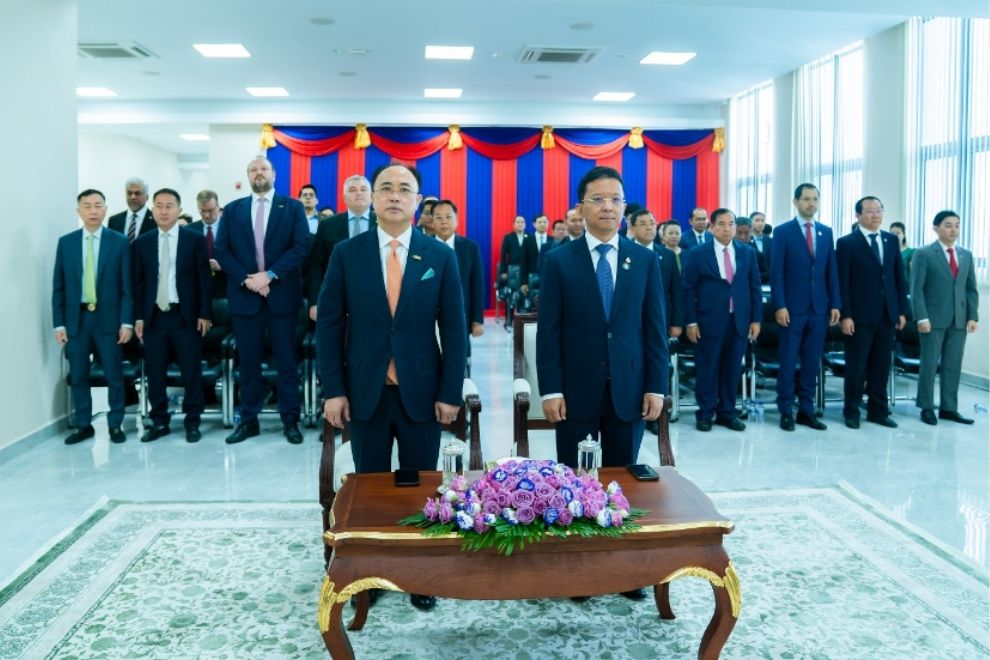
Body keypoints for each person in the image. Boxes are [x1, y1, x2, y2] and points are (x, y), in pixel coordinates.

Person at [317, 164, 466, 612]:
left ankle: (421, 573)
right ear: (372, 199)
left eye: (405, 189)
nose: (395, 196)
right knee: (373, 487)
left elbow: (454, 330)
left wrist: (450, 393)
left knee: (423, 487)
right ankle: (374, 573)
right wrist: (333, 390)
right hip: (365, 391)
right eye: (386, 188)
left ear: (418, 200)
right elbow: (328, 325)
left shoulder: (438, 255)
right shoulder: (348, 252)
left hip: (422, 391)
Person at [537, 167, 667, 602]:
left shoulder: (645, 259)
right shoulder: (559, 260)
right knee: (575, 482)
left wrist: (657, 385)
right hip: (574, 393)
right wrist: (550, 390)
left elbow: (654, 328)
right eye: (598, 199)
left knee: (620, 482)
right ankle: (579, 569)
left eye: (616, 199)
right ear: (581, 206)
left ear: (625, 208)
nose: (608, 206)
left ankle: (623, 570)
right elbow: (549, 330)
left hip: (629, 389)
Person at [214, 156, 310, 445]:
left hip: (281, 297)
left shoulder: (292, 207)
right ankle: (248, 420)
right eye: (254, 169)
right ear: (248, 175)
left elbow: (301, 246)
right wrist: (249, 279)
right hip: (245, 298)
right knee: (249, 362)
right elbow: (222, 249)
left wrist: (268, 275)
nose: (259, 173)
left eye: (264, 169)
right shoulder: (232, 210)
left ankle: (290, 419)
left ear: (274, 174)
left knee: (286, 361)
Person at [52, 189, 133, 444]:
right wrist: (59, 323)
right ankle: (83, 424)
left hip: (108, 319)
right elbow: (59, 286)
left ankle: (115, 423)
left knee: (113, 374)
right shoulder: (66, 243)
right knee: (78, 375)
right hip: (77, 320)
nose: (93, 210)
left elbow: (127, 287)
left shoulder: (118, 241)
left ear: (106, 209)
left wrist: (126, 321)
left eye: (98, 205)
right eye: (87, 206)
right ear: (79, 211)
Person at [133, 188, 213, 443]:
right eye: (159, 206)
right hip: (154, 317)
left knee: (191, 372)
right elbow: (139, 284)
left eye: (169, 206)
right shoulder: (143, 242)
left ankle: (192, 422)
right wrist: (138, 318)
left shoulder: (194, 239)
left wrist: (205, 313)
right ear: (152, 209)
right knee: (155, 373)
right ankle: (159, 421)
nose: (164, 211)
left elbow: (204, 280)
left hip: (185, 316)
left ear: (179, 210)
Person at [682, 209, 762, 431]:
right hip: (708, 320)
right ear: (712, 227)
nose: (727, 228)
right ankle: (705, 413)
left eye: (731, 224)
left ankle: (727, 411)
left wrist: (756, 320)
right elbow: (687, 290)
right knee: (708, 367)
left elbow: (754, 287)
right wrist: (691, 321)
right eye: (722, 224)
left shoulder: (747, 253)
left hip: (739, 320)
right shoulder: (698, 254)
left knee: (732, 368)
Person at [770, 183, 841, 432]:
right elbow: (776, 272)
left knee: (812, 361)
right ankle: (785, 410)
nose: (811, 203)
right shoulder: (783, 232)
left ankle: (806, 410)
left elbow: (831, 271)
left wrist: (835, 303)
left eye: (815, 199)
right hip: (792, 308)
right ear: (796, 202)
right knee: (789, 361)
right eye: (806, 199)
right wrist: (780, 305)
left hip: (819, 308)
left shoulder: (825, 232)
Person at [835, 196, 907, 429]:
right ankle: (852, 411)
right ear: (858, 215)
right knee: (856, 366)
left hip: (887, 314)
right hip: (858, 316)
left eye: (879, 210)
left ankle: (878, 411)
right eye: (869, 211)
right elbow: (842, 281)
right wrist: (846, 315)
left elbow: (898, 278)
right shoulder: (847, 243)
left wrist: (901, 311)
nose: (875, 214)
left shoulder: (890, 240)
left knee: (881, 365)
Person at [911, 210, 979, 426]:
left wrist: (972, 316)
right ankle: (926, 407)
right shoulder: (924, 253)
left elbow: (970, 289)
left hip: (959, 320)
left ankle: (949, 408)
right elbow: (917, 289)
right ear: (936, 228)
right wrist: (921, 318)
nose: (953, 229)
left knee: (953, 365)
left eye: (957, 225)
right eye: (948, 225)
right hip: (932, 320)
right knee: (929, 365)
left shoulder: (966, 255)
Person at [307, 175, 376, 320]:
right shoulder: (327, 225)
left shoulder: (384, 224)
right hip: (336, 297)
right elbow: (316, 266)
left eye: (363, 189)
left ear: (372, 197)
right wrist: (314, 302)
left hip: (376, 298)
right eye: (353, 190)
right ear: (344, 198)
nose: (358, 193)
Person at [432, 200, 484, 369]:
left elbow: (477, 284)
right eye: (438, 217)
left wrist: (477, 320)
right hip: (428, 314)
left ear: (457, 220)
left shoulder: (470, 247)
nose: (444, 221)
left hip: (461, 312)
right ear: (432, 221)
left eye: (448, 217)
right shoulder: (422, 247)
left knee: (460, 360)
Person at [629, 208, 683, 338]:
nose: (649, 228)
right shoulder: (623, 252)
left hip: (660, 316)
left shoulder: (668, 255)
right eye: (643, 224)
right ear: (632, 228)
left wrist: (677, 322)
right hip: (630, 317)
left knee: (658, 355)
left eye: (652, 223)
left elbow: (676, 291)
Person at [188, 189, 226, 300]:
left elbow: (241, 258)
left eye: (210, 210)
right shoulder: (189, 230)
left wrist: (222, 265)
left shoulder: (232, 228)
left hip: (225, 289)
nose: (207, 215)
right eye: (202, 211)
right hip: (197, 292)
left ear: (218, 206)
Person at [107, 177, 155, 242]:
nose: (133, 197)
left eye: (137, 193)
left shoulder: (156, 220)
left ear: (147, 197)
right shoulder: (114, 221)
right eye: (129, 193)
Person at [499, 215, 530, 297]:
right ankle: (509, 308)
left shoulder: (530, 237)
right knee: (512, 290)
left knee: (524, 290)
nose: (520, 224)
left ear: (525, 225)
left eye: (522, 222)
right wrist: (504, 271)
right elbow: (503, 255)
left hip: (526, 269)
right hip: (512, 268)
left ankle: (524, 308)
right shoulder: (508, 237)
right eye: (518, 222)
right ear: (514, 225)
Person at [735, 216, 770, 283]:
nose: (742, 237)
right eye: (739, 233)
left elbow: (766, 274)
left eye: (746, 233)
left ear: (751, 232)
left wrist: (751, 276)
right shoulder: (724, 251)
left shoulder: (756, 253)